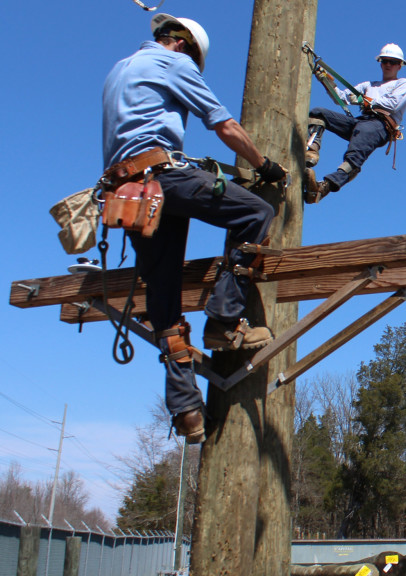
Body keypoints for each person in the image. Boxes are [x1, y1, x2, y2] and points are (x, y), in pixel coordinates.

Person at [102, 13, 287, 443]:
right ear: (185, 46)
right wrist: (264, 166)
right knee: (255, 213)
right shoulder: (175, 65)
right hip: (161, 178)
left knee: (164, 297)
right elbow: (223, 124)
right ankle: (224, 319)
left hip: (127, 194)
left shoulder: (118, 70)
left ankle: (186, 410)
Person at [304, 43, 406, 203]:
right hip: (361, 122)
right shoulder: (369, 85)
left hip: (380, 125)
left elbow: (392, 104)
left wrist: (367, 100)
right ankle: (311, 149)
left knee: (355, 154)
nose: (388, 65)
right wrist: (326, 81)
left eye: (393, 62)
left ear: (400, 66)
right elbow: (340, 97)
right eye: (385, 61)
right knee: (318, 113)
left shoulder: (402, 83)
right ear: (380, 63)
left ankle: (324, 187)